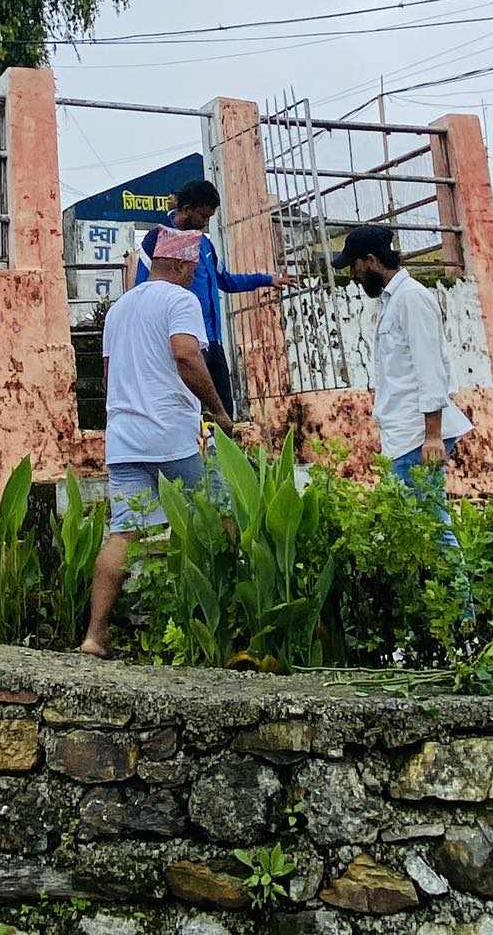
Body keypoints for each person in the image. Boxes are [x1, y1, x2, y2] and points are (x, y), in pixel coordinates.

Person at [82, 228, 231, 658]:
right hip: (172, 435)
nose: (195, 274)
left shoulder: (119, 309)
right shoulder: (180, 300)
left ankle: (95, 636)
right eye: (195, 267)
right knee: (217, 515)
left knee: (123, 532)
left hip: (125, 438)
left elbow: (109, 375)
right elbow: (186, 355)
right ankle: (219, 623)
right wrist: (218, 410)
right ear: (182, 265)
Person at [334, 225, 472, 548]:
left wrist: (433, 435)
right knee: (413, 528)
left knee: (432, 527)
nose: (353, 276)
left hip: (417, 436)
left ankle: (458, 600)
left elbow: (431, 369)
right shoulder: (393, 301)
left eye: (354, 266)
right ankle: (437, 597)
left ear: (370, 260)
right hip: (403, 435)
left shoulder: (411, 299)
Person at [133, 179, 291, 416]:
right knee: (187, 412)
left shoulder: (205, 244)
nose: (206, 223)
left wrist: (267, 279)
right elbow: (142, 288)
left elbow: (225, 280)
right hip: (183, 341)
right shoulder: (157, 239)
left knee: (224, 412)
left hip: (212, 343)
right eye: (203, 217)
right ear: (186, 210)